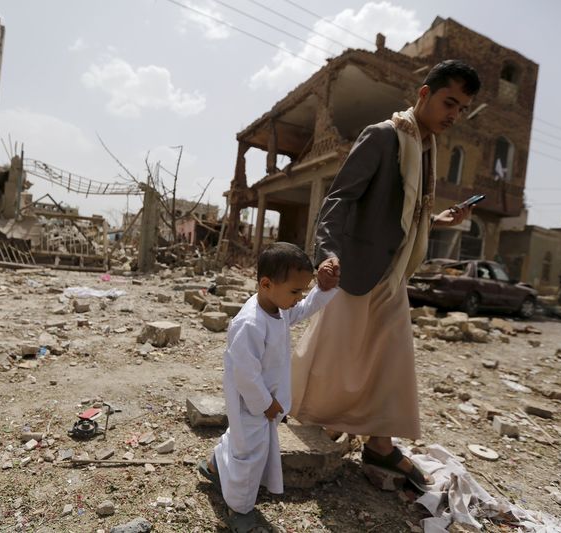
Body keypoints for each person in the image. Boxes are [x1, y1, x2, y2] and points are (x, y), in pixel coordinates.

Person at [290, 60, 479, 490]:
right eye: (449, 102)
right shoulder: (384, 136)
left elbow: (406, 215)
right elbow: (338, 199)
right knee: (334, 354)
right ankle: (316, 419)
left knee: (389, 357)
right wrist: (327, 255)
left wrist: (442, 219)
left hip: (392, 274)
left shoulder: (427, 149)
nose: (454, 114)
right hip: (354, 268)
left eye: (462, 108)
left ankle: (379, 441)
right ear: (424, 95)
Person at [198, 242, 338, 531]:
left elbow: (302, 310)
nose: (299, 298)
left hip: (260, 402)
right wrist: (267, 404)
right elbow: (245, 374)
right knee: (250, 454)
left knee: (240, 439)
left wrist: (322, 289)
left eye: (302, 291)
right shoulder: (250, 323)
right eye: (295, 291)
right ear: (266, 283)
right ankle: (240, 509)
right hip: (252, 402)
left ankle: (213, 467)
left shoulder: (278, 306)